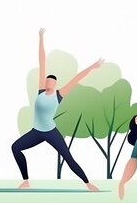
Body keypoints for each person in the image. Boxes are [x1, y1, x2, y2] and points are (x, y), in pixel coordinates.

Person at [11, 28, 103, 191]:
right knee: (15, 147)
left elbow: (76, 78)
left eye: (51, 82)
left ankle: (87, 183)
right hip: (36, 131)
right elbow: (42, 61)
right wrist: (40, 37)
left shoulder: (59, 95)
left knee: (68, 158)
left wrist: (93, 66)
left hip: (51, 132)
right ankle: (26, 180)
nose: (48, 83)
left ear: (55, 84)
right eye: (47, 81)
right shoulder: (40, 91)